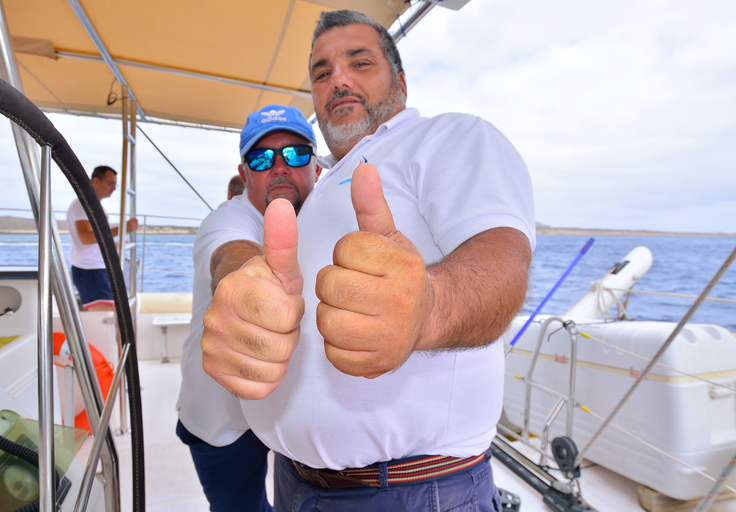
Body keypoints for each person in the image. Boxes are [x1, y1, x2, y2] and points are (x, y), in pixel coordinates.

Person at [201, 10, 535, 512]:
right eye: (321, 72)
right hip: (294, 480)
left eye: (359, 62)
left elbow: (502, 263)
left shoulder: (449, 138)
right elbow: (231, 241)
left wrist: (429, 306)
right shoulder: (320, 186)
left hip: (411, 490)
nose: (338, 79)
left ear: (399, 80)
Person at [176, 104, 321, 512]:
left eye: (294, 154)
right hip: (222, 421)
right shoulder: (225, 220)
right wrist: (249, 287)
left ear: (317, 167)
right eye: (261, 158)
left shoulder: (325, 217)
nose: (279, 167)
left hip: (289, 413)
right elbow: (229, 256)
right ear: (244, 176)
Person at [66, 165, 138, 311]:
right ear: (96, 181)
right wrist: (123, 229)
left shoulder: (96, 207)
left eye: (115, 184)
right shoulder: (82, 205)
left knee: (114, 317)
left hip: (97, 268)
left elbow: (94, 238)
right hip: (89, 270)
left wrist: (112, 244)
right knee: (108, 318)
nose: (114, 188)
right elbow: (85, 238)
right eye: (111, 183)